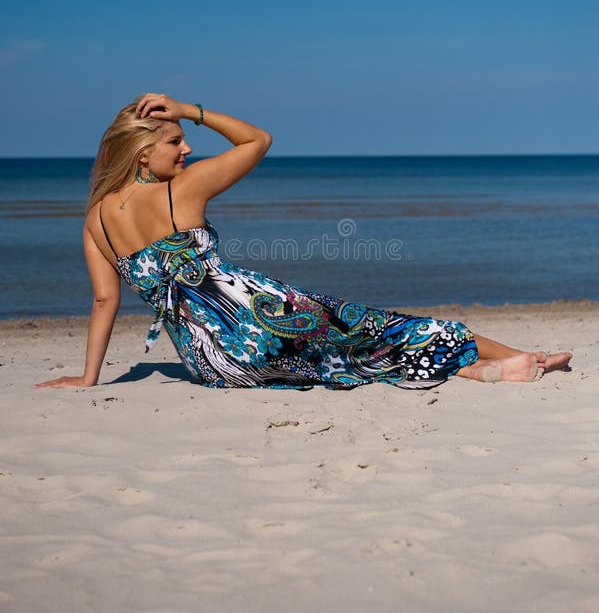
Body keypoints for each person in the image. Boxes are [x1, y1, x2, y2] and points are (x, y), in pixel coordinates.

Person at [37, 94, 572, 391]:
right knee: (385, 328)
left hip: (215, 365)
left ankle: (480, 369)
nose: (187, 148)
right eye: (176, 140)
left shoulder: (96, 221)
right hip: (260, 319)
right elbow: (258, 140)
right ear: (141, 153)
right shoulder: (182, 191)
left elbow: (105, 301)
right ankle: (530, 359)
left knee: (348, 354)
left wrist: (88, 379)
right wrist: (189, 107)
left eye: (184, 136)